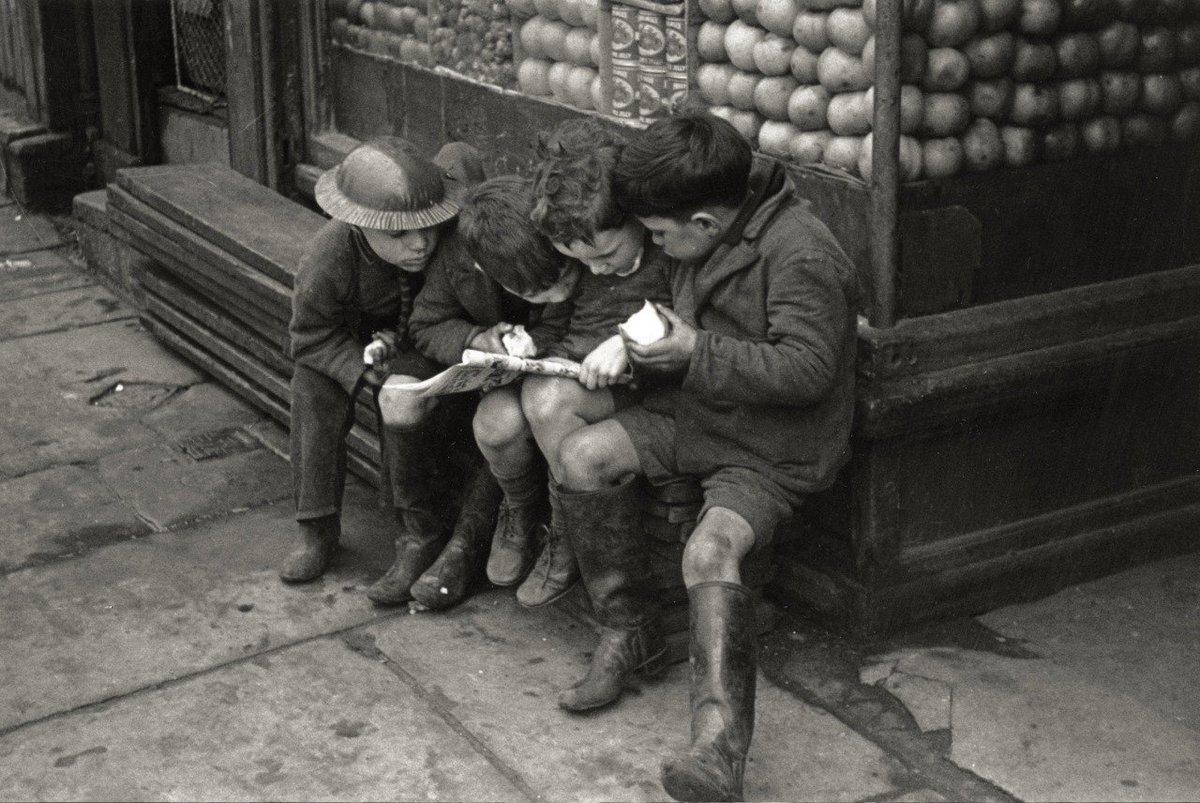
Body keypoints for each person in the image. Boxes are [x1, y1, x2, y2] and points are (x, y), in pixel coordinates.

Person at [552, 113, 861, 803]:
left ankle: (718, 746)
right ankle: (628, 631)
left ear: (699, 218)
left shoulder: (802, 252)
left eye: (661, 235)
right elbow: (680, 304)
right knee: (581, 457)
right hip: (699, 412)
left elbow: (810, 369)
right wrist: (638, 338)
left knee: (707, 551)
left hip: (771, 446)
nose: (657, 246)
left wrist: (694, 350)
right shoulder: (716, 217)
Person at [280, 135, 487, 608]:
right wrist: (363, 370)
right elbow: (310, 338)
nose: (419, 245)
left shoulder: (440, 234)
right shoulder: (329, 256)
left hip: (418, 342)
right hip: (346, 348)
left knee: (406, 397)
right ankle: (316, 527)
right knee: (313, 394)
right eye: (398, 236)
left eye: (428, 229)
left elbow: (460, 157)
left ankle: (414, 532)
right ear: (359, 226)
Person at [512, 118, 675, 609]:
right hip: (603, 381)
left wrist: (631, 337)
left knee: (554, 412)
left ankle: (583, 547)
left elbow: (700, 312)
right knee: (541, 398)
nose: (597, 270)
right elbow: (560, 317)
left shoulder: (670, 242)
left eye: (606, 255)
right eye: (579, 261)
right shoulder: (584, 247)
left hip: (670, 389)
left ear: (637, 220)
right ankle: (573, 537)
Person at [397, 175, 571, 610]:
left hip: (568, 368)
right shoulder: (461, 253)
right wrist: (477, 338)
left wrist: (541, 343)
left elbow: (575, 313)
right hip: (511, 373)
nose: (555, 292)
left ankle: (561, 530)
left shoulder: (561, 240)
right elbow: (426, 324)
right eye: (533, 290)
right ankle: (520, 510)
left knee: (534, 411)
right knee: (493, 424)